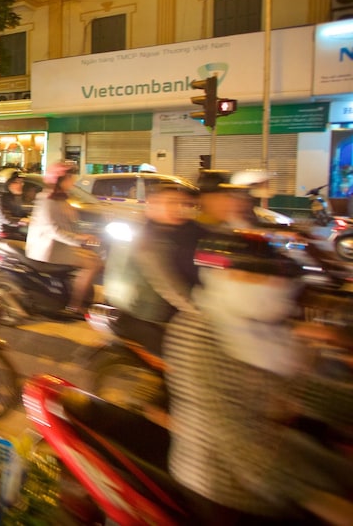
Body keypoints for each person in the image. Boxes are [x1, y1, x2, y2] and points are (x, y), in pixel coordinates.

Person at [165, 230, 353, 524]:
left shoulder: (263, 327)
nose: (273, 286)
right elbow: (239, 443)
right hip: (226, 485)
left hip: (280, 457)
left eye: (274, 278)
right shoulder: (200, 333)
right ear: (224, 278)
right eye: (255, 277)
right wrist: (322, 502)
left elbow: (306, 391)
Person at [103, 183, 204, 358]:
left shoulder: (178, 232)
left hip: (164, 309)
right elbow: (167, 285)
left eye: (183, 203)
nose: (178, 208)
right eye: (171, 203)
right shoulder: (147, 239)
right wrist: (198, 313)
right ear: (152, 205)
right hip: (145, 314)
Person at [25, 161, 102, 314]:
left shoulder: (61, 198)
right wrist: (79, 239)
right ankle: (75, 305)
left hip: (62, 245)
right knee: (92, 264)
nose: (72, 181)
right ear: (59, 180)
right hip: (49, 250)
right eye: (70, 178)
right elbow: (53, 230)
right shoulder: (48, 199)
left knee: (96, 258)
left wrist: (83, 237)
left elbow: (70, 224)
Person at [0, 169, 28, 239]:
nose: (21, 184)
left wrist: (29, 218)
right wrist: (22, 221)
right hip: (4, 234)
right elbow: (5, 218)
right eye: (16, 182)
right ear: (6, 184)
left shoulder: (14, 197)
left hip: (14, 232)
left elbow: (19, 213)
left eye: (21, 182)